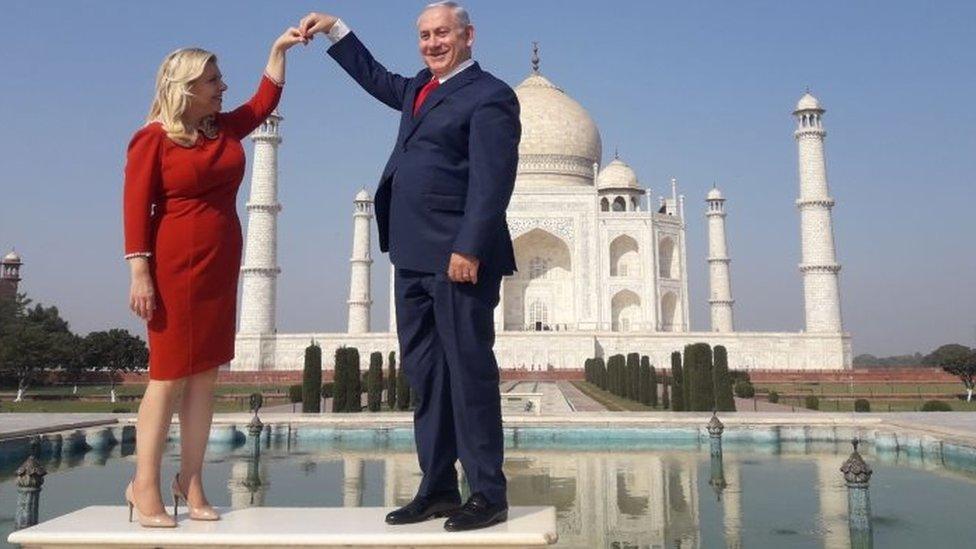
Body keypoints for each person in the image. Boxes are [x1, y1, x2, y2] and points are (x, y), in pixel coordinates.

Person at [299, 0, 520, 532]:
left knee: (468, 374)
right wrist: (335, 30)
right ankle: (439, 486)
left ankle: (488, 493)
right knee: (426, 375)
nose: (432, 42)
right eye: (424, 35)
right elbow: (376, 78)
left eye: (442, 33)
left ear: (468, 35)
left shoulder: (491, 96)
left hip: (458, 258)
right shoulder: (421, 89)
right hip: (412, 256)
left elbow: (493, 182)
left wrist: (469, 247)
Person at [122, 27, 305, 527]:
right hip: (174, 263)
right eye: (213, 80)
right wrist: (140, 271)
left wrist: (278, 50)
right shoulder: (153, 139)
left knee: (205, 377)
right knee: (166, 379)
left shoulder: (220, 130)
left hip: (222, 259)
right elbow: (136, 207)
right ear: (186, 87)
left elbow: (264, 101)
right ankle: (144, 485)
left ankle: (192, 479)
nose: (223, 86)